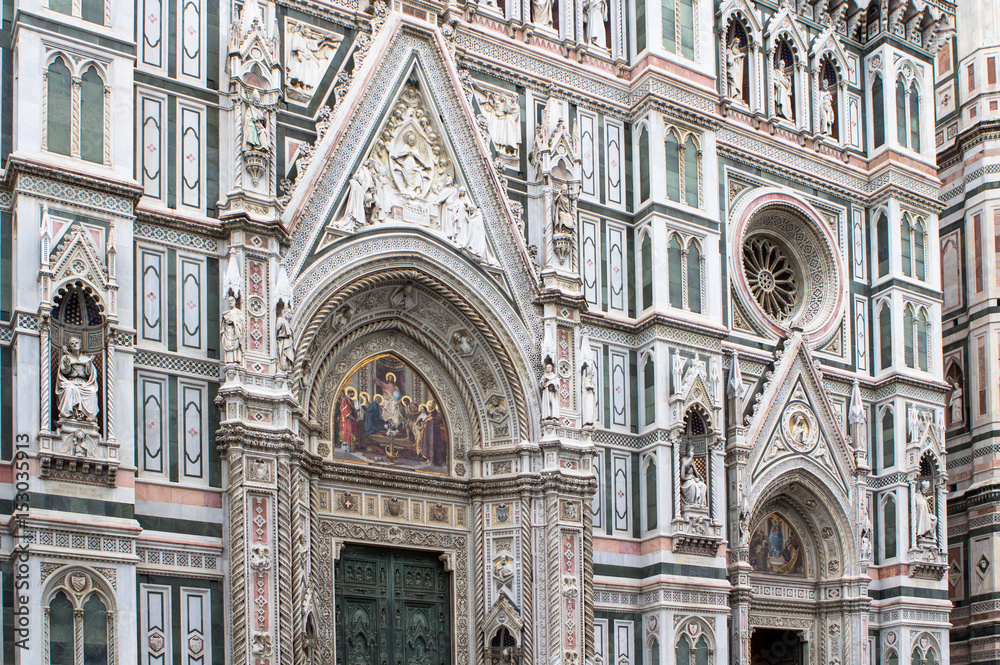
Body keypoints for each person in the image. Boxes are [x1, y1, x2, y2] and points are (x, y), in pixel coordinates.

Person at [56, 336, 99, 421]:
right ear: (69, 346)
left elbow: (89, 373)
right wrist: (67, 364)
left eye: (76, 342)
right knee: (70, 388)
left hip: (83, 383)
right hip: (70, 381)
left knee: (92, 392)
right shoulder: (66, 357)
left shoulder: (86, 358)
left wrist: (89, 363)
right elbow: (64, 371)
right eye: (72, 343)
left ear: (80, 345)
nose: (75, 345)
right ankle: (68, 413)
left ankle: (89, 415)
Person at [679, 444, 708, 508]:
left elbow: (697, 474)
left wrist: (697, 478)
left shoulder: (692, 462)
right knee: (693, 485)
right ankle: (692, 504)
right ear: (687, 451)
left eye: (693, 451)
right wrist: (690, 458)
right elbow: (682, 475)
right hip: (686, 481)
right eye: (691, 451)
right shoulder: (683, 459)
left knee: (703, 486)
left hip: (693, 479)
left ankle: (701, 504)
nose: (693, 453)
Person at [221, 294, 244, 365]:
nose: (230, 302)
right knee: (228, 346)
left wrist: (234, 322)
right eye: (229, 301)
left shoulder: (238, 312)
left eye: (231, 301)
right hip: (228, 331)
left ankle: (236, 359)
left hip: (235, 332)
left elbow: (242, 323)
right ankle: (229, 361)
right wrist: (226, 323)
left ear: (234, 301)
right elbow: (222, 326)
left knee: (236, 346)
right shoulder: (227, 313)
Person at [275, 306, 294, 373]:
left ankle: (287, 367)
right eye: (288, 313)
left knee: (289, 354)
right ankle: (283, 367)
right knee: (284, 354)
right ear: (284, 312)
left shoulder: (287, 322)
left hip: (287, 341)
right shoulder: (281, 319)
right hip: (282, 340)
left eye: (290, 313)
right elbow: (276, 328)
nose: (290, 315)